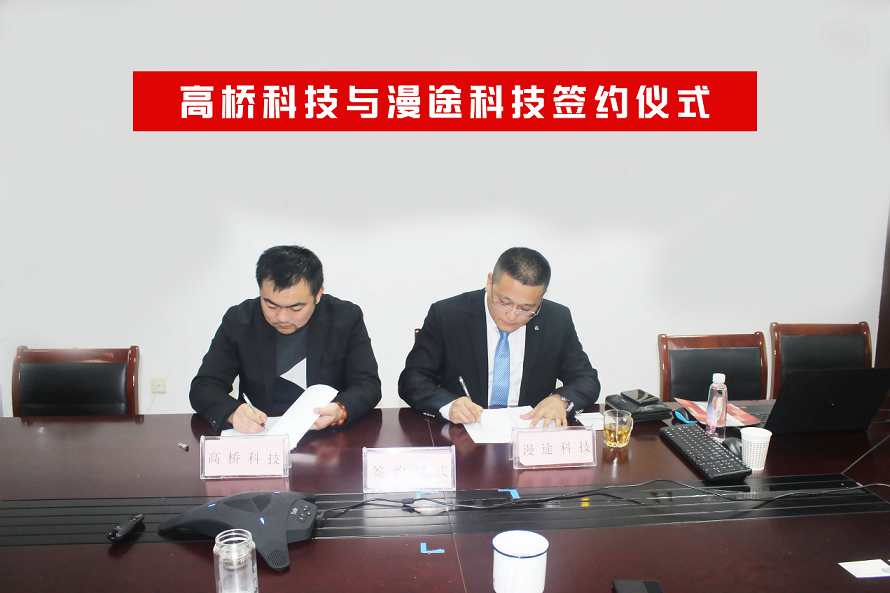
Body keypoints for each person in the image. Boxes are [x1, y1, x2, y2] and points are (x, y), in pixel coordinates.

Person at [399, 247, 600, 427]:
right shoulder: (448, 315)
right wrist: (449, 405)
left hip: (528, 433)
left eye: (526, 308)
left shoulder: (556, 320)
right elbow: (413, 379)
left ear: (542, 296)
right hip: (465, 434)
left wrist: (561, 400)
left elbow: (586, 379)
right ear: (490, 282)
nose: (512, 315)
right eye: (504, 303)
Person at [190, 245, 381, 433]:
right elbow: (204, 386)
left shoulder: (344, 318)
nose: (282, 317)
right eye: (271, 306)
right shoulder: (239, 321)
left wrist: (340, 409)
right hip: (260, 434)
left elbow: (367, 384)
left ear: (318, 294)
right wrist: (233, 413)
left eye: (295, 308)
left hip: (326, 434)